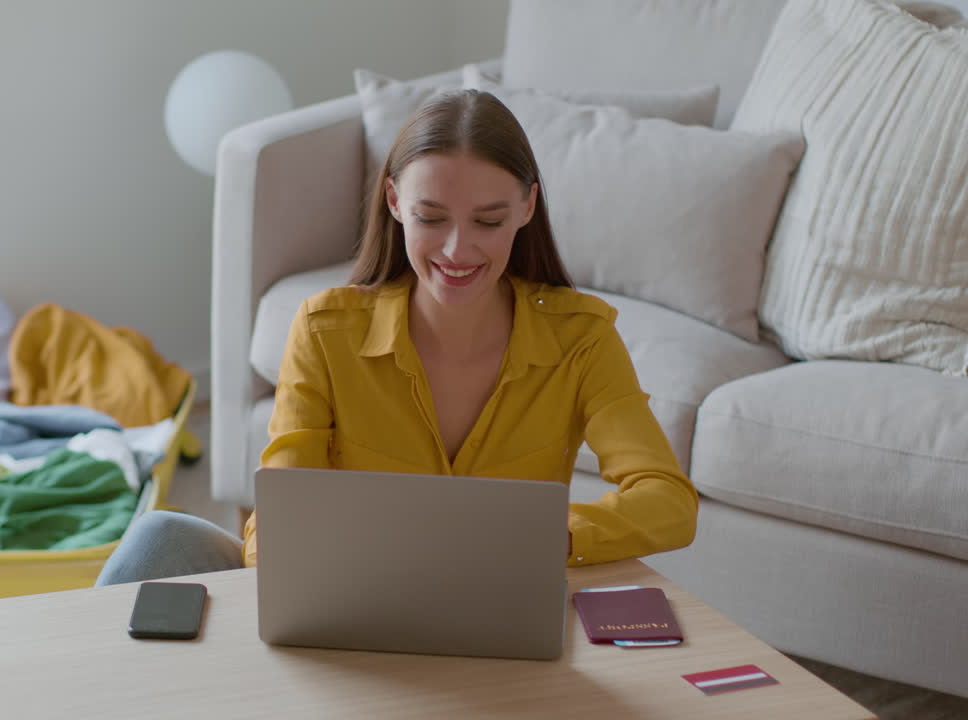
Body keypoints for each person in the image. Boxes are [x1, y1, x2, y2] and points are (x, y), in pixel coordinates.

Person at [95, 89, 697, 586]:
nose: (458, 250)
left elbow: (668, 501)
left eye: (488, 220)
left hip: (498, 608)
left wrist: (543, 537)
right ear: (394, 202)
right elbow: (280, 514)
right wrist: (306, 582)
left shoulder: (582, 338)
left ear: (527, 208)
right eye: (431, 217)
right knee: (158, 540)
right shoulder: (325, 331)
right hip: (347, 602)